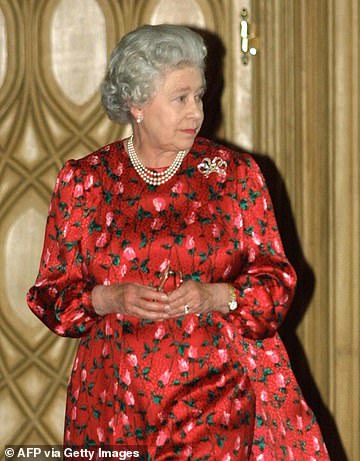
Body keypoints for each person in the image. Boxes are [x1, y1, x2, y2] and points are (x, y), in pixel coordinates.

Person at [27, 24, 328, 460]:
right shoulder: (85, 180)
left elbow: (277, 283)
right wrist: (107, 298)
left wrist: (217, 295)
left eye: (199, 96)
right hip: (112, 402)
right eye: (180, 98)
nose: (196, 112)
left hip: (215, 396)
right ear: (136, 104)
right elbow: (50, 294)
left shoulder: (234, 175)